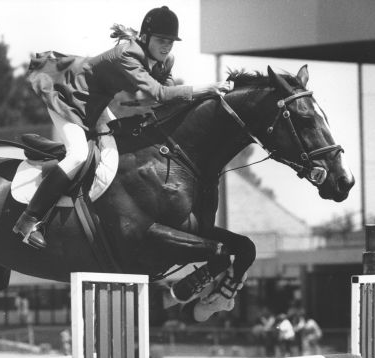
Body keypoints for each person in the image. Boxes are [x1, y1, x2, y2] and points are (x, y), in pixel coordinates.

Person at [13, 5, 233, 249]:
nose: (167, 46)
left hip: (95, 104)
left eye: (171, 41)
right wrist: (209, 88)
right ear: (147, 38)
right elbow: (160, 93)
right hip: (68, 96)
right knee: (78, 155)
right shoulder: (126, 55)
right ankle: (28, 220)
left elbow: (168, 102)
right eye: (162, 40)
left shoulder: (163, 60)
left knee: (116, 144)